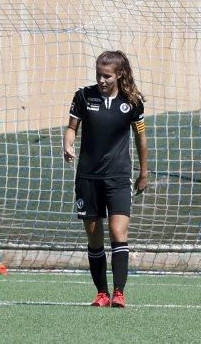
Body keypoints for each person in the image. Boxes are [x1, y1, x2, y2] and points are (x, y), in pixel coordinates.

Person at [63, 50, 147, 308]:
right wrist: (67, 144)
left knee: (118, 232)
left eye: (107, 76)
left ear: (119, 74)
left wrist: (144, 172)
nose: (101, 80)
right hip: (88, 177)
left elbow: (140, 139)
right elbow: (71, 128)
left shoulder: (132, 102)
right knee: (94, 237)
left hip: (119, 177)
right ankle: (101, 292)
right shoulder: (83, 96)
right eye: (98, 74)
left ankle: (119, 292)